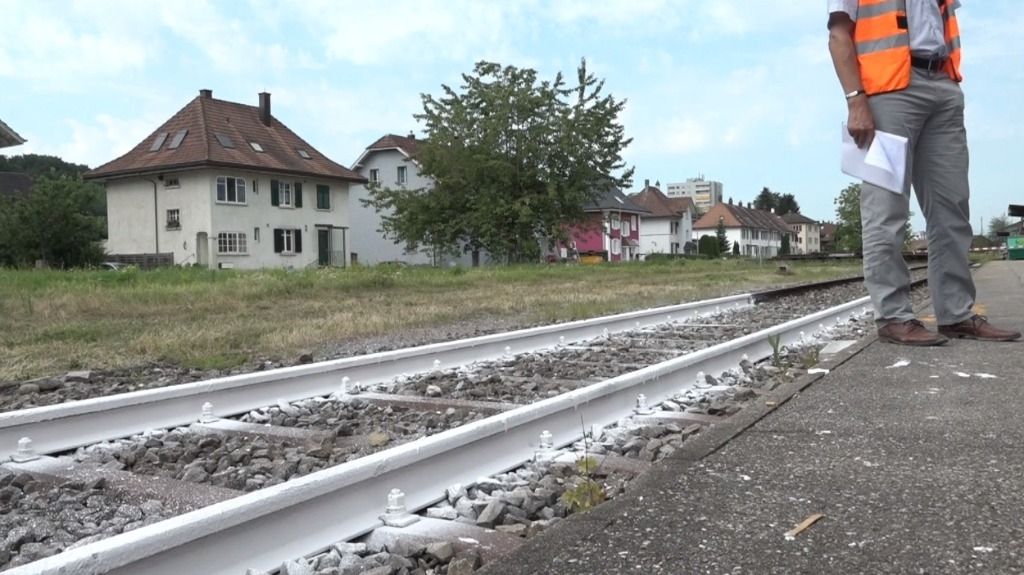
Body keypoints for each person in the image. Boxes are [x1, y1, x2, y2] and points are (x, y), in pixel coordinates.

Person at [827, 0, 1020, 345]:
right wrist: (856, 100)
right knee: (886, 210)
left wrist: (949, 85)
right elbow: (839, 33)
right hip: (887, 92)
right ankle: (893, 317)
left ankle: (956, 314)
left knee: (952, 208)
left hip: (942, 84)